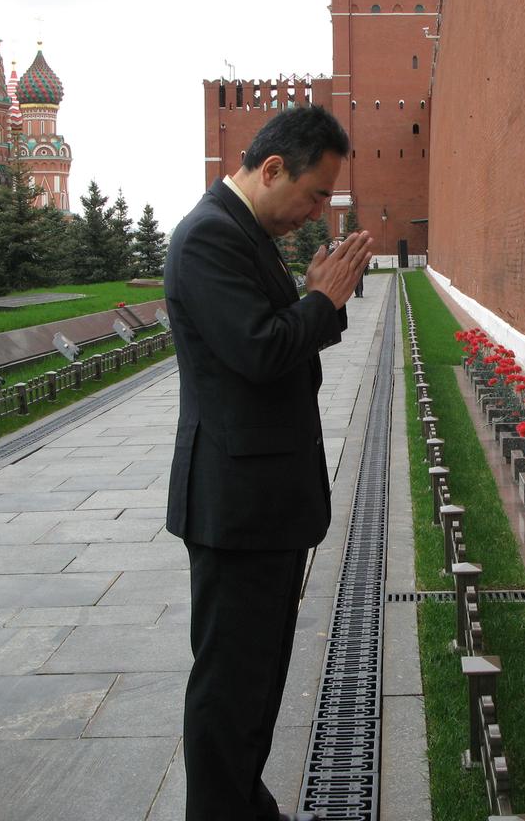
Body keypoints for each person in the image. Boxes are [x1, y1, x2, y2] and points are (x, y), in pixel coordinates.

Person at [165, 105, 372, 821]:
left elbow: (281, 343)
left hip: (264, 501)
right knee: (229, 689)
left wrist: (319, 300)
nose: (317, 211)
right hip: (236, 504)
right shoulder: (208, 239)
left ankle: (243, 805)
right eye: (315, 194)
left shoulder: (242, 232)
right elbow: (257, 350)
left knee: (255, 682)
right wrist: (321, 299)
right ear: (273, 167)